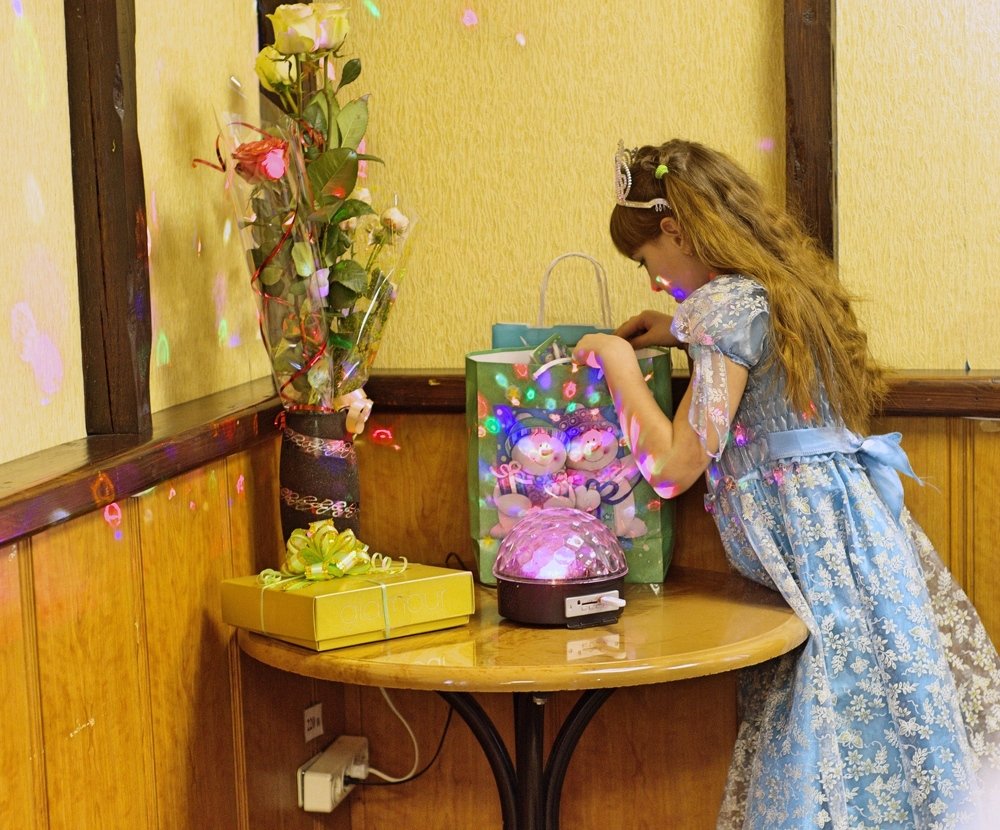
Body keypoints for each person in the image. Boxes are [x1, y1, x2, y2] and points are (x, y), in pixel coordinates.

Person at [573, 139, 1000, 829]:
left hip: (819, 562)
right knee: (880, 739)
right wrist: (679, 330)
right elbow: (753, 360)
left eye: (647, 261)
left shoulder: (722, 309)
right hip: (855, 549)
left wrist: (617, 361)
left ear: (676, 230)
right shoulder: (772, 293)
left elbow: (675, 467)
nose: (652, 283)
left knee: (827, 748)